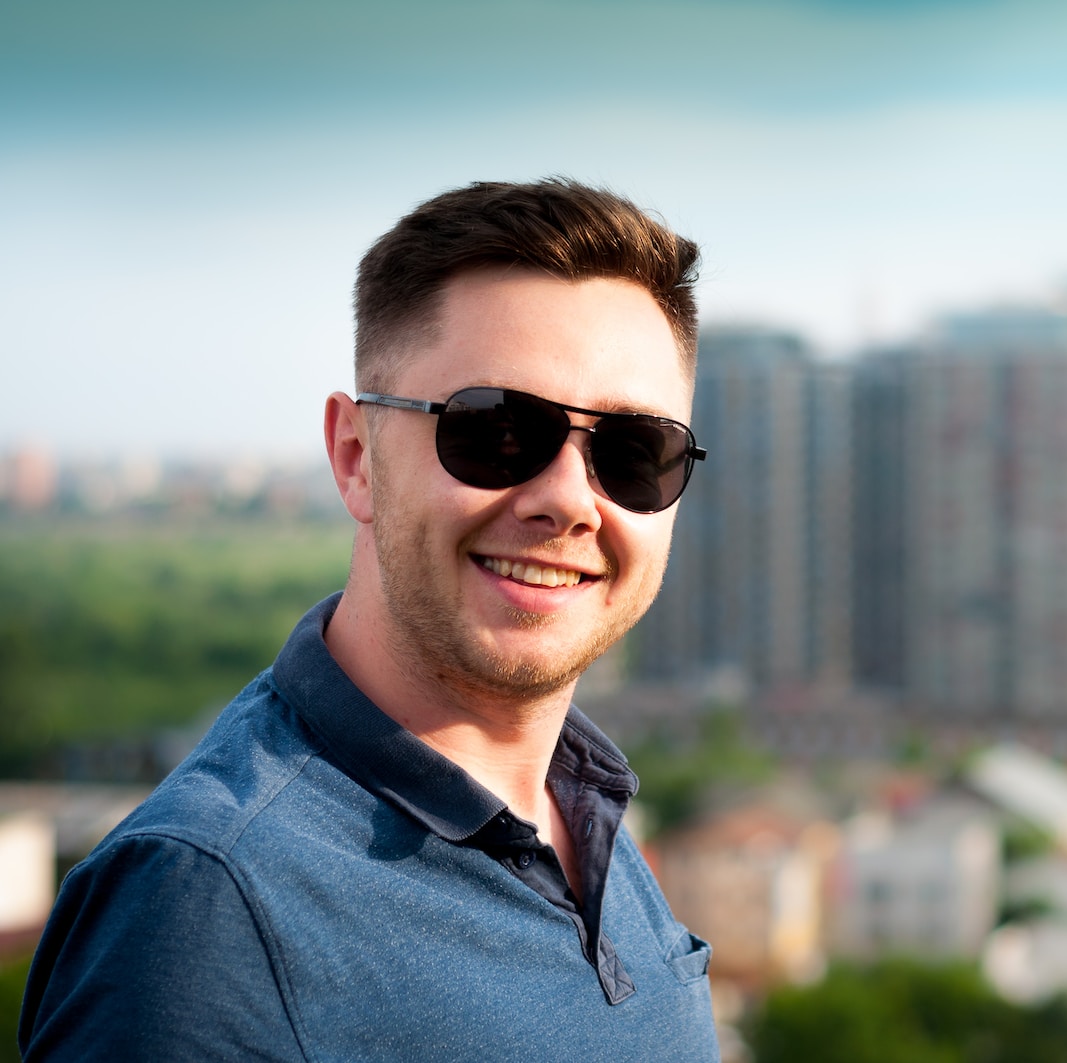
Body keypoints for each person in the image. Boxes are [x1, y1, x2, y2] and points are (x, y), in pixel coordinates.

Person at [19, 180, 720, 1061]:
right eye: (497, 431)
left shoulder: (589, 814)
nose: (569, 502)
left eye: (632, 454)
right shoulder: (207, 908)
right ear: (355, 457)